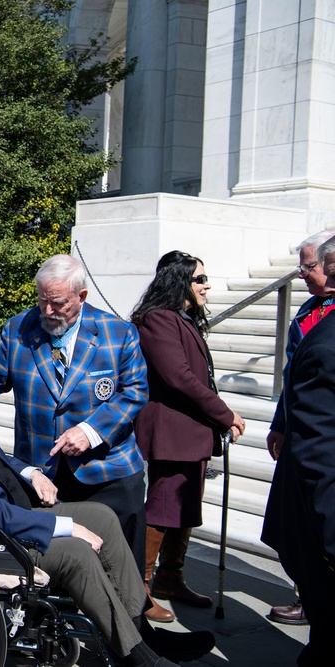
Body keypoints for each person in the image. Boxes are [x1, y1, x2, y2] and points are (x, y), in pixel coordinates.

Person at [0, 372, 209, 667]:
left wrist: (32, 473)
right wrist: (66, 527)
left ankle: (142, 633)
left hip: (13, 516)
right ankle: (136, 656)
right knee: (77, 553)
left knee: (102, 516)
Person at [0, 254, 149, 573]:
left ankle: (130, 621)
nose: (48, 311)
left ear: (81, 297)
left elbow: (135, 391)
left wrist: (91, 431)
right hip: (43, 471)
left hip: (108, 471)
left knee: (121, 567)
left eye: (57, 303)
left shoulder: (117, 333)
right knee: (55, 562)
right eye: (42, 301)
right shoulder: (19, 329)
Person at [130, 251, 246, 622]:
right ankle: (140, 586)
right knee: (164, 507)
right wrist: (224, 413)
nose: (206, 284)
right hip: (172, 430)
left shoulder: (182, 319)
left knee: (186, 506)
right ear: (178, 281)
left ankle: (169, 577)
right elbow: (178, 377)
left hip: (192, 430)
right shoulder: (157, 320)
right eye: (199, 279)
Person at [262, 235, 335, 667]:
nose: (303, 274)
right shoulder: (313, 322)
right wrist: (280, 422)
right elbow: (293, 381)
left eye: (309, 266)